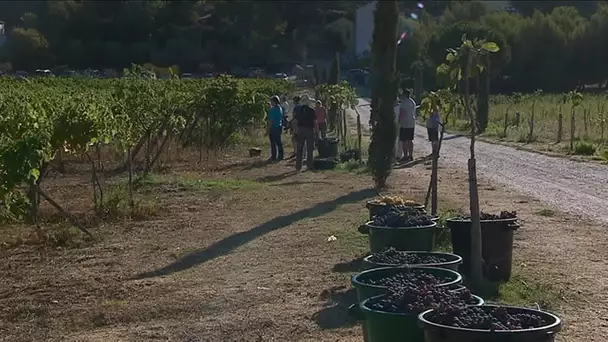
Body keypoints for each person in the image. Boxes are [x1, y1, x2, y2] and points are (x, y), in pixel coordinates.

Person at [294, 94, 316, 171]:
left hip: (300, 129)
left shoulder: (298, 110)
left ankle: (298, 166)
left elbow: (296, 121)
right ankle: (309, 165)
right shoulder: (312, 110)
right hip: (309, 130)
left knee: (299, 149)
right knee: (310, 149)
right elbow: (314, 122)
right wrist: (316, 132)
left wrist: (295, 131)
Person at [398, 89, 417, 162]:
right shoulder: (412, 102)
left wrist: (399, 121)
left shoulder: (404, 103)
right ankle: (411, 155)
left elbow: (402, 113)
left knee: (404, 140)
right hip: (412, 122)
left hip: (405, 123)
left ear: (405, 95)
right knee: (410, 140)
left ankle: (405, 155)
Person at [267, 95, 284, 161]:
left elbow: (270, 121)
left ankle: (273, 156)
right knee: (279, 142)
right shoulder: (280, 108)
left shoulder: (272, 110)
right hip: (279, 127)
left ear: (273, 101)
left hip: (274, 128)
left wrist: (268, 130)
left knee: (273, 143)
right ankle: (280, 156)